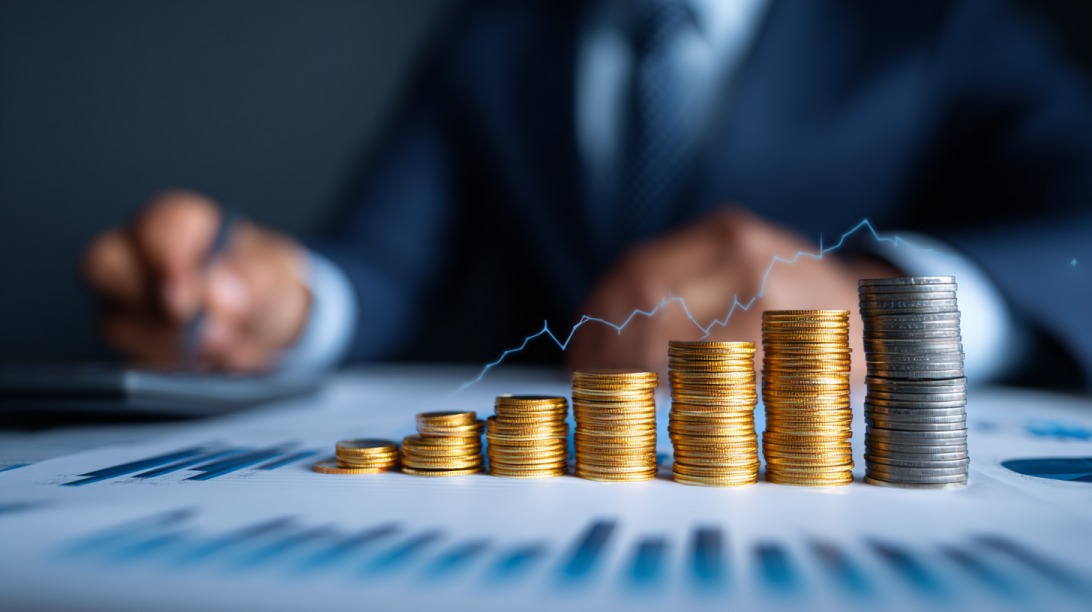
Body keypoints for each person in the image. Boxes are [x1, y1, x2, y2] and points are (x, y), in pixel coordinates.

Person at [83, 0, 1092, 388]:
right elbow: (386, 264)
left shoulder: (940, 28)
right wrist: (279, 300)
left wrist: (897, 313)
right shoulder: (492, 44)